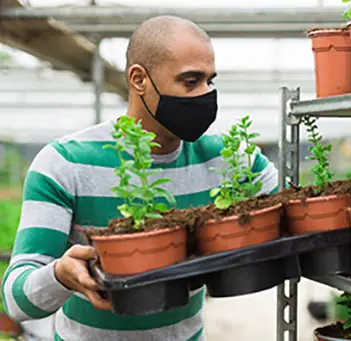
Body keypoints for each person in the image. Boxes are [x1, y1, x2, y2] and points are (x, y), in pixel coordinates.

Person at [1, 15, 278, 341]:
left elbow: (299, 214)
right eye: (190, 81)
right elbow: (16, 301)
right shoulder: (65, 163)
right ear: (138, 79)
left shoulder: (232, 159)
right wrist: (59, 276)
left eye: (209, 81)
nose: (205, 94)